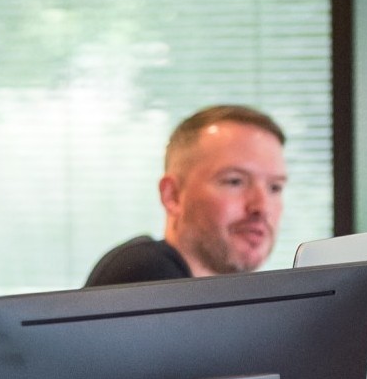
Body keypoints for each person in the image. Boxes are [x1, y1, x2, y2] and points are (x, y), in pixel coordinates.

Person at [85, 104, 288, 287]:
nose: (262, 207)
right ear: (172, 195)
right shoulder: (145, 275)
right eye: (234, 181)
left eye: (275, 188)